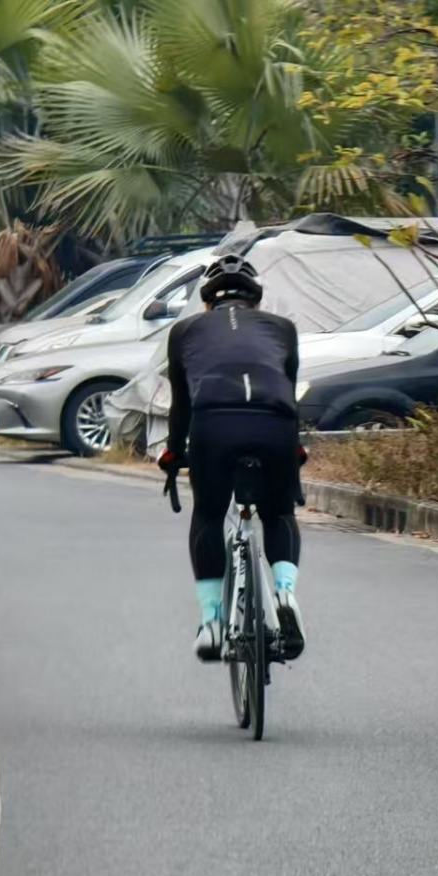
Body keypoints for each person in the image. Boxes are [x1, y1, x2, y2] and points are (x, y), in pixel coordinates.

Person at [159, 255, 306, 663]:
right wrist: (294, 448)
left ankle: (211, 623)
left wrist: (174, 452)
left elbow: (182, 404)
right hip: (274, 424)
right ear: (256, 303)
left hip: (214, 424)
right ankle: (285, 594)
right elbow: (287, 392)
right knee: (278, 513)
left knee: (207, 513)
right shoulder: (283, 329)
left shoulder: (184, 331)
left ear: (206, 304)